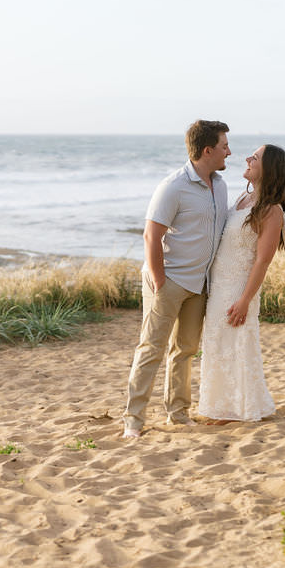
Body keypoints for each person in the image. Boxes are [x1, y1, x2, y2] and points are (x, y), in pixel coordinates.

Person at [122, 120, 231, 439]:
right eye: (225, 146)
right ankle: (133, 419)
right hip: (168, 282)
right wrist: (158, 280)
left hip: (200, 285)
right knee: (151, 349)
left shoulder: (221, 185)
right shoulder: (173, 186)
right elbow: (150, 235)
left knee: (184, 349)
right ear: (207, 150)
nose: (229, 151)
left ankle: (178, 412)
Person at [197, 144, 285, 423]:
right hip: (219, 287)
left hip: (240, 288)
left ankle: (240, 408)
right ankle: (219, 406)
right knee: (217, 344)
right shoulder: (241, 198)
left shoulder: (271, 211)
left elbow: (262, 261)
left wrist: (245, 300)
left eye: (256, 157)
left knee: (237, 344)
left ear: (270, 169)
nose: (248, 159)